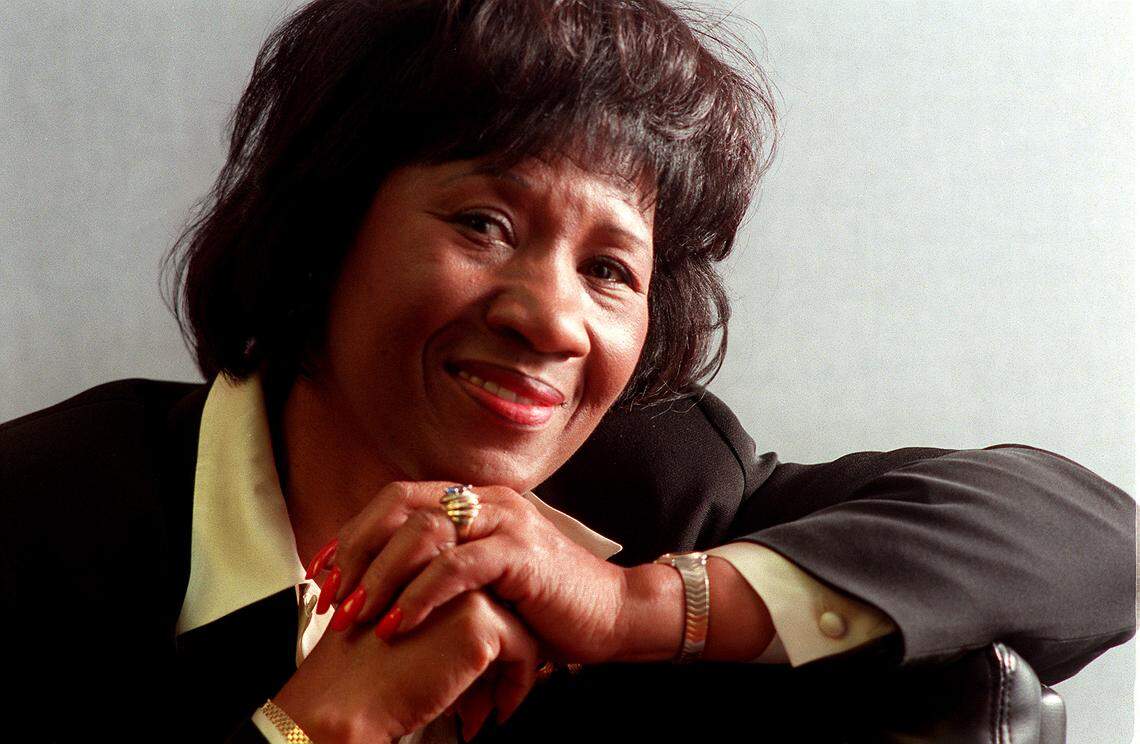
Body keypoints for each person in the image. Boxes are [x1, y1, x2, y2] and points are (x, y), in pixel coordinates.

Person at [0, 0, 1132, 742]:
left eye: (610, 270)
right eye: (486, 222)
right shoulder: (48, 512)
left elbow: (1090, 541)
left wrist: (638, 605)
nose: (552, 320)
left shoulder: (654, 492)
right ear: (323, 229)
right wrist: (321, 728)